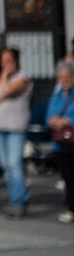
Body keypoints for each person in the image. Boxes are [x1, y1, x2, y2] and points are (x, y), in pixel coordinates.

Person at [0, 47, 32, 218]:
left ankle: (20, 202)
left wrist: (4, 79)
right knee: (6, 166)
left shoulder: (22, 78)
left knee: (14, 164)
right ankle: (15, 199)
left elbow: (8, 91)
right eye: (3, 61)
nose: (7, 64)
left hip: (16, 128)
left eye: (10, 60)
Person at [47, 61, 74, 222]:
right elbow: (49, 115)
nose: (65, 80)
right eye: (61, 77)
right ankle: (71, 207)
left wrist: (68, 120)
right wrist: (54, 121)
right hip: (62, 144)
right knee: (68, 177)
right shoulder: (56, 96)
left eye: (68, 77)